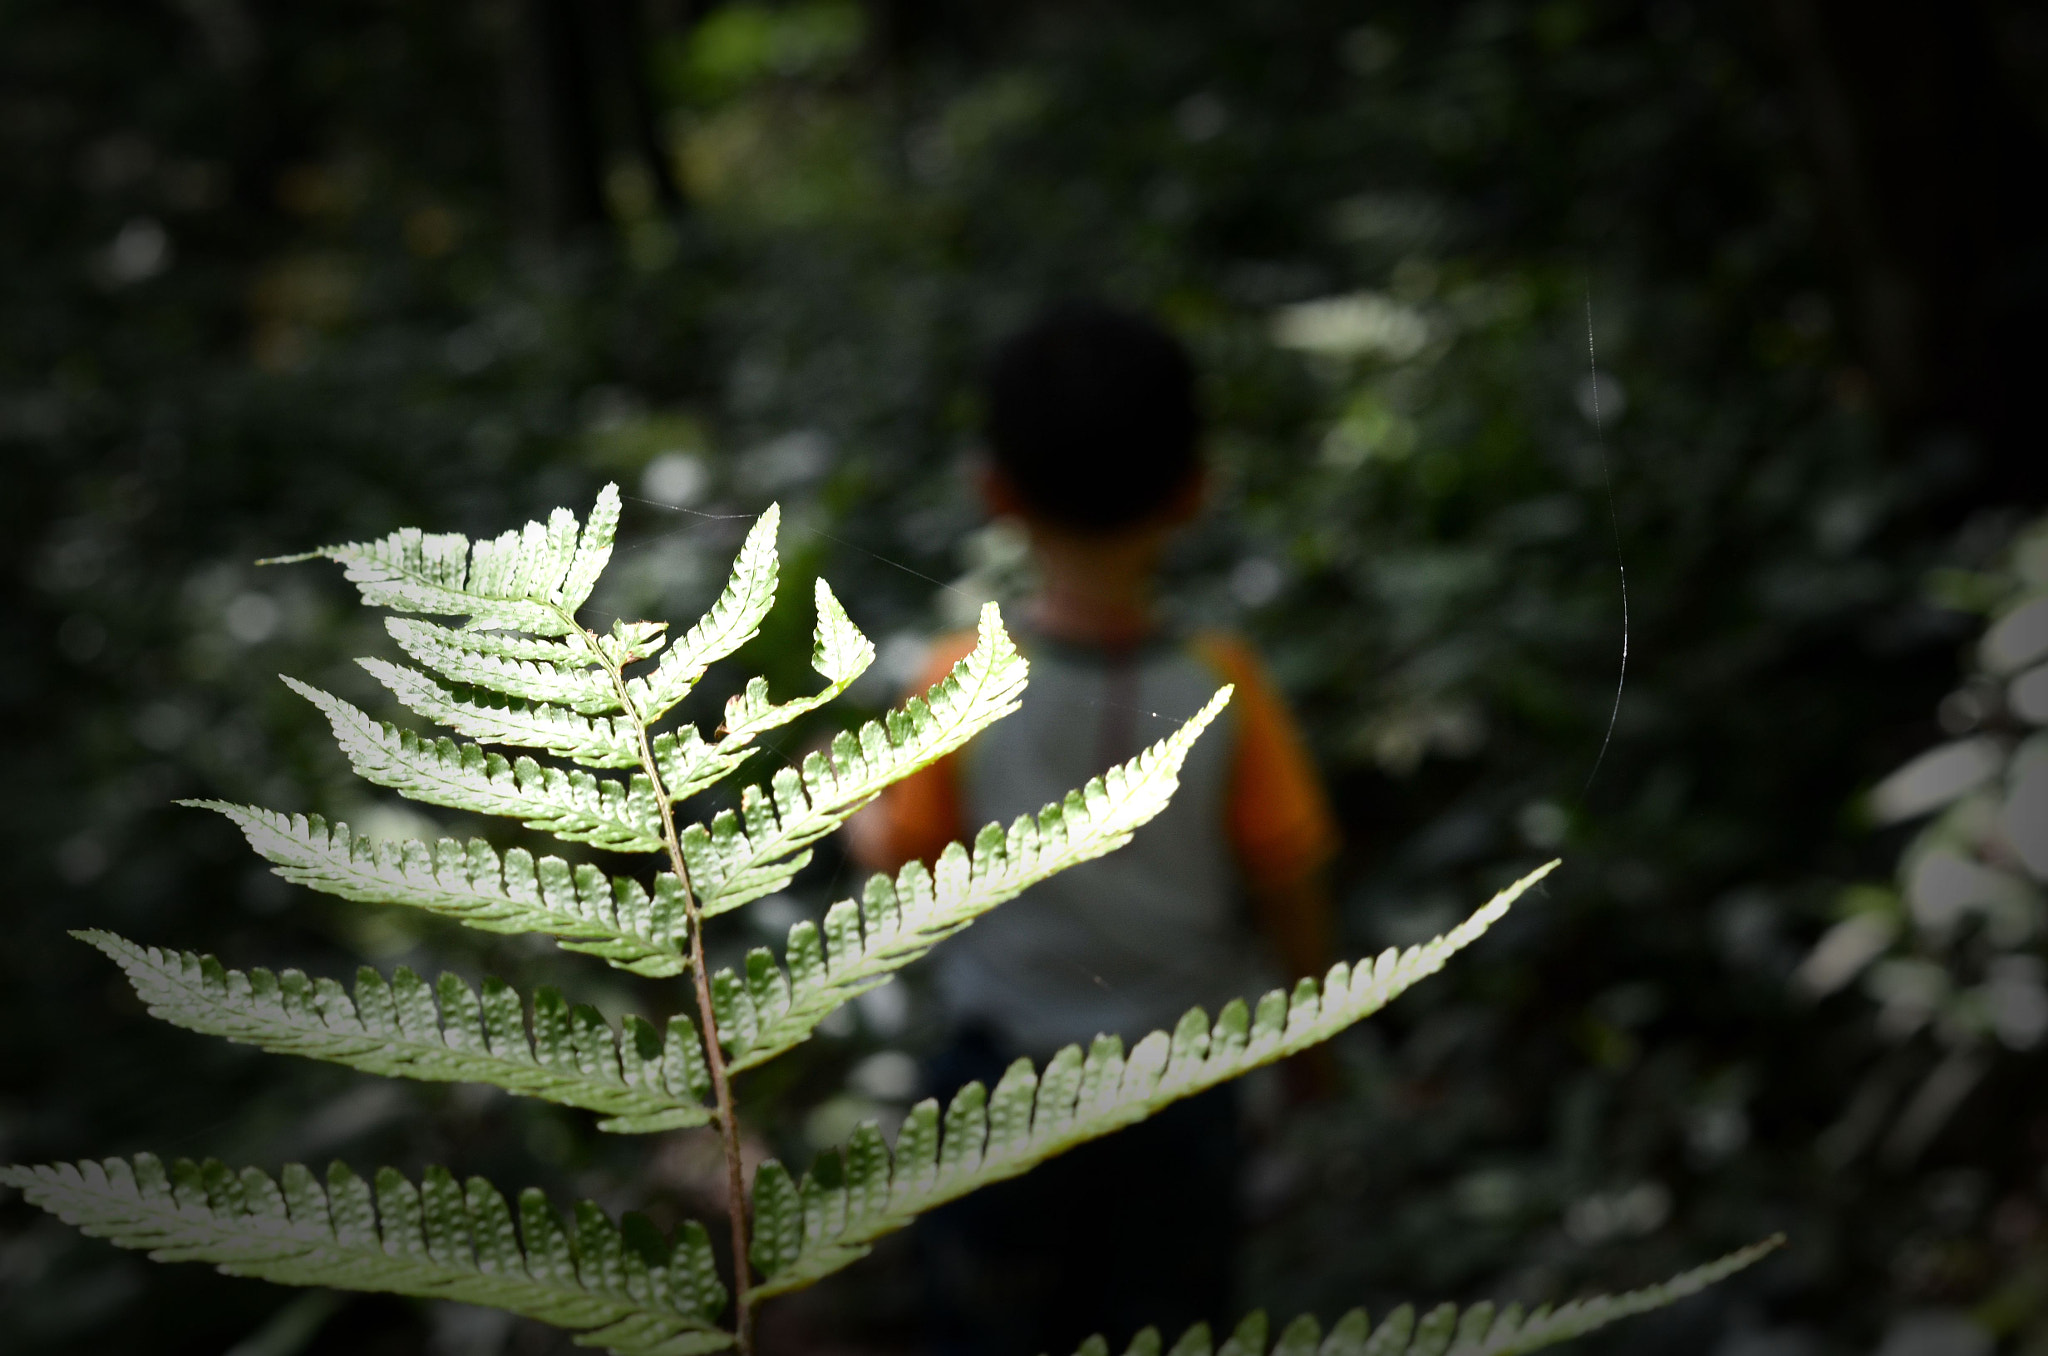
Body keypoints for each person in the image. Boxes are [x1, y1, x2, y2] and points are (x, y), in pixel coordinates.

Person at [845, 301, 1339, 1356]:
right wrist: (1309, 1050)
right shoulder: (1226, 686)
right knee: (1164, 1326)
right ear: (1194, 491)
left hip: (996, 1092)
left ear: (994, 492)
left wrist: (851, 806)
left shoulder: (955, 683)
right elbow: (1286, 878)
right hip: (1182, 1094)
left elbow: (903, 868)